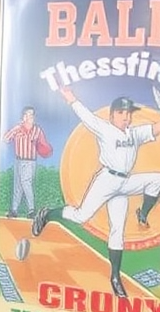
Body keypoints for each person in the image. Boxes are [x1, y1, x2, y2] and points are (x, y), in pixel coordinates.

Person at [31, 87, 160, 298]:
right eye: (121, 113)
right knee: (82, 215)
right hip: (106, 181)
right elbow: (86, 117)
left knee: (121, 226)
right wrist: (72, 99)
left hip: (124, 184)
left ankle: (116, 276)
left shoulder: (134, 134)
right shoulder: (104, 128)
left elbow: (155, 129)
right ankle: (48, 214)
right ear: (112, 115)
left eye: (128, 114)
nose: (126, 117)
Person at [2, 105, 52, 218]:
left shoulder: (37, 130)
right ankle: (14, 210)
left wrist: (46, 151)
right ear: (23, 116)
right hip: (18, 161)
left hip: (30, 162)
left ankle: (31, 210)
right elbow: (5, 139)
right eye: (27, 114)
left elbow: (44, 145)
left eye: (31, 114)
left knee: (26, 184)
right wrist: (16, 128)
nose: (30, 116)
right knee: (18, 186)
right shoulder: (18, 129)